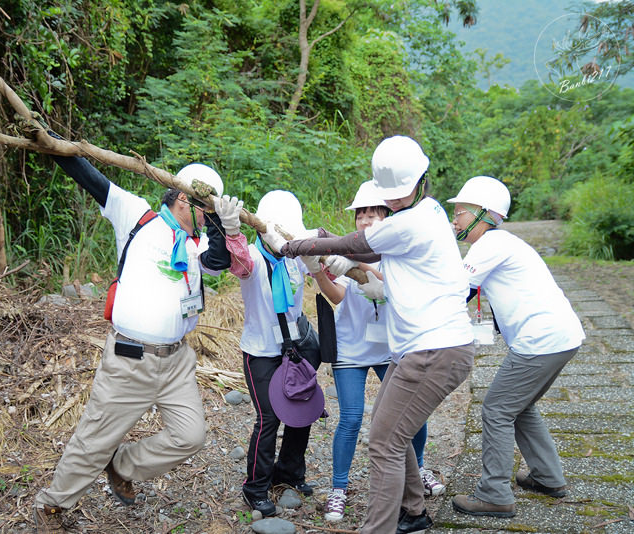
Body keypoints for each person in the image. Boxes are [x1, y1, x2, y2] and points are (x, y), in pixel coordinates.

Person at [261, 136, 475, 533]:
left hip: (432, 349)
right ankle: (413, 512)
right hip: (421, 349)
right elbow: (359, 254)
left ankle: (378, 527)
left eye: (393, 196)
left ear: (419, 183)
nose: (391, 203)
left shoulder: (411, 220)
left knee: (384, 443)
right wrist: (318, 249)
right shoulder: (427, 212)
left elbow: (355, 245)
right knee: (392, 430)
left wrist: (293, 246)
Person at [33, 155, 232, 533]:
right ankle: (52, 505)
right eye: (206, 209)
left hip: (176, 361)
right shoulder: (138, 217)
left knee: (189, 436)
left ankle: (123, 465)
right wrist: (48, 140)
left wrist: (223, 225)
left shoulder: (196, 242)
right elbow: (88, 176)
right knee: (94, 438)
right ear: (185, 200)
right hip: (130, 358)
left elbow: (218, 262)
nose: (208, 217)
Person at [447, 176, 585, 518]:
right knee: (519, 406)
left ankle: (494, 494)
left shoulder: (489, 246)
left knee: (496, 409)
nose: (455, 218)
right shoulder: (503, 243)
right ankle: (547, 477)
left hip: (540, 342)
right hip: (561, 337)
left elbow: (454, 292)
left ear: (484, 214)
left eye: (461, 211)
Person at [308, 181, 444, 524]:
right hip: (351, 349)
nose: (366, 221)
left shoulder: (397, 248)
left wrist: (361, 265)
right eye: (361, 215)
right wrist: (316, 270)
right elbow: (337, 296)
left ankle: (420, 470)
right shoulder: (343, 249)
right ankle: (338, 490)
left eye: (374, 214)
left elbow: (389, 282)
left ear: (387, 216)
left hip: (391, 348)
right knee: (351, 418)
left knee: (412, 418)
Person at [213, 190, 325, 517]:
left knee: (302, 409)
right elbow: (239, 264)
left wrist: (320, 259)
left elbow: (323, 266)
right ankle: (256, 486)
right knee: (269, 418)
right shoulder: (251, 256)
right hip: (261, 351)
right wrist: (232, 231)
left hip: (294, 348)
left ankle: (289, 472)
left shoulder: (295, 258)